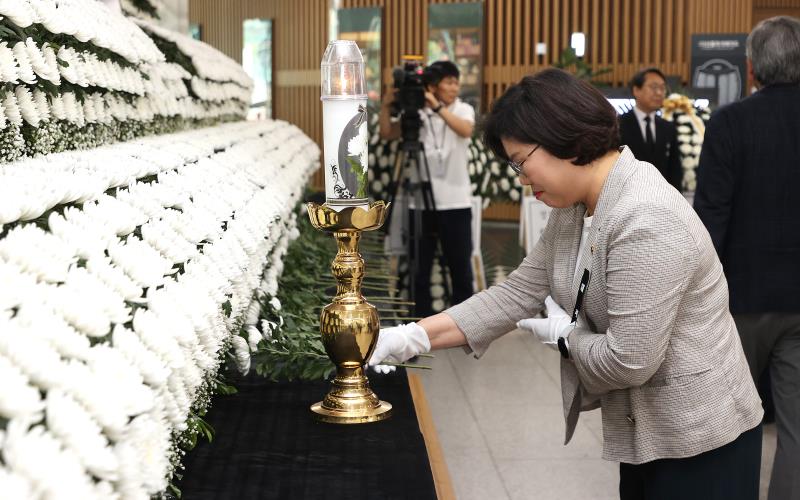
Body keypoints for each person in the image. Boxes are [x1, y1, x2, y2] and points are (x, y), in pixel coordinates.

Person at [370, 68, 763, 499]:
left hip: (699, 437)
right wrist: (412, 337)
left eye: (521, 162)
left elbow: (630, 361)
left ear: (563, 138)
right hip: (647, 432)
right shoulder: (577, 204)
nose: (521, 177)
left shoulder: (646, 218)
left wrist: (567, 338)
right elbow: (519, 290)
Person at [693, 16, 800, 500]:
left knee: (730, 417)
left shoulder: (730, 123)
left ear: (751, 67)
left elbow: (709, 219)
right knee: (797, 428)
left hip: (740, 298)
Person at [379, 60, 475, 317]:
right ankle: (419, 324)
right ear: (432, 86)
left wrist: (438, 106)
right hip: (420, 204)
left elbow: (465, 131)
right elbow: (387, 133)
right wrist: (387, 105)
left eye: (457, 82)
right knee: (419, 269)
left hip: (456, 204)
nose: (455, 87)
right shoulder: (417, 114)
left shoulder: (463, 109)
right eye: (449, 82)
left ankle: (463, 323)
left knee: (460, 269)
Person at [618, 68, 683, 190]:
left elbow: (675, 171)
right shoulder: (618, 125)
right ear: (636, 90)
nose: (659, 93)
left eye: (662, 88)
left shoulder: (668, 128)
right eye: (653, 87)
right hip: (628, 197)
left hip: (662, 197)